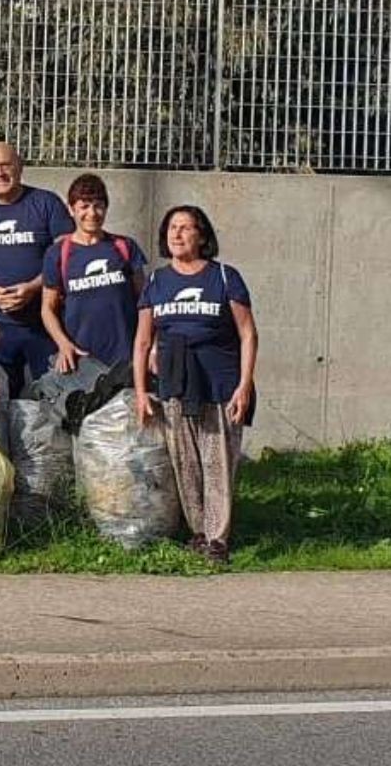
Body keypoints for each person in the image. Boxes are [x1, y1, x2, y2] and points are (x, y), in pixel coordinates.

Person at [132, 205, 259, 565]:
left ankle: (218, 539)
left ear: (202, 236)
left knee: (217, 461)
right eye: (172, 227)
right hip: (175, 382)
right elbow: (142, 342)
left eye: (186, 228)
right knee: (185, 463)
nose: (177, 234)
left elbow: (248, 333)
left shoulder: (223, 276)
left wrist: (244, 386)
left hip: (219, 382)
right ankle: (199, 531)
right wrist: (142, 391)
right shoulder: (157, 282)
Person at [0, 141, 75, 396]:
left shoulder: (46, 203)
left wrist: (33, 287)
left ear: (19, 166)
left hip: (44, 323)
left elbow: (68, 255)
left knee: (56, 396)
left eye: (5, 165)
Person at [42, 173, 147, 373]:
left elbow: (145, 302)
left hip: (125, 359)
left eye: (98, 205)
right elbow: (47, 309)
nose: (92, 213)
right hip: (81, 360)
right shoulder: (57, 253)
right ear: (71, 209)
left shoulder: (124, 247)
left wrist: (146, 347)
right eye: (84, 206)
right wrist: (64, 344)